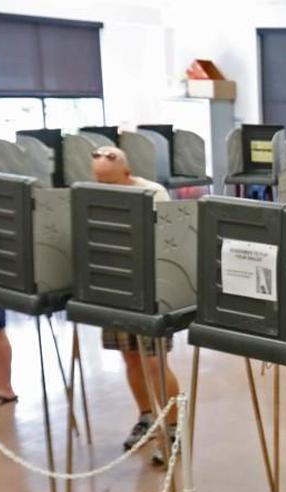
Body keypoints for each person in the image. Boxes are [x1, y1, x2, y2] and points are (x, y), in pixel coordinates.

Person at [90, 146, 180, 454]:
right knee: (129, 355)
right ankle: (146, 417)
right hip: (115, 284)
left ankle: (172, 428)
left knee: (155, 361)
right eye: (101, 182)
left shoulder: (153, 193)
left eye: (111, 182)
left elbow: (169, 239)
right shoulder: (92, 193)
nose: (106, 188)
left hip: (151, 286)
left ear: (127, 173)